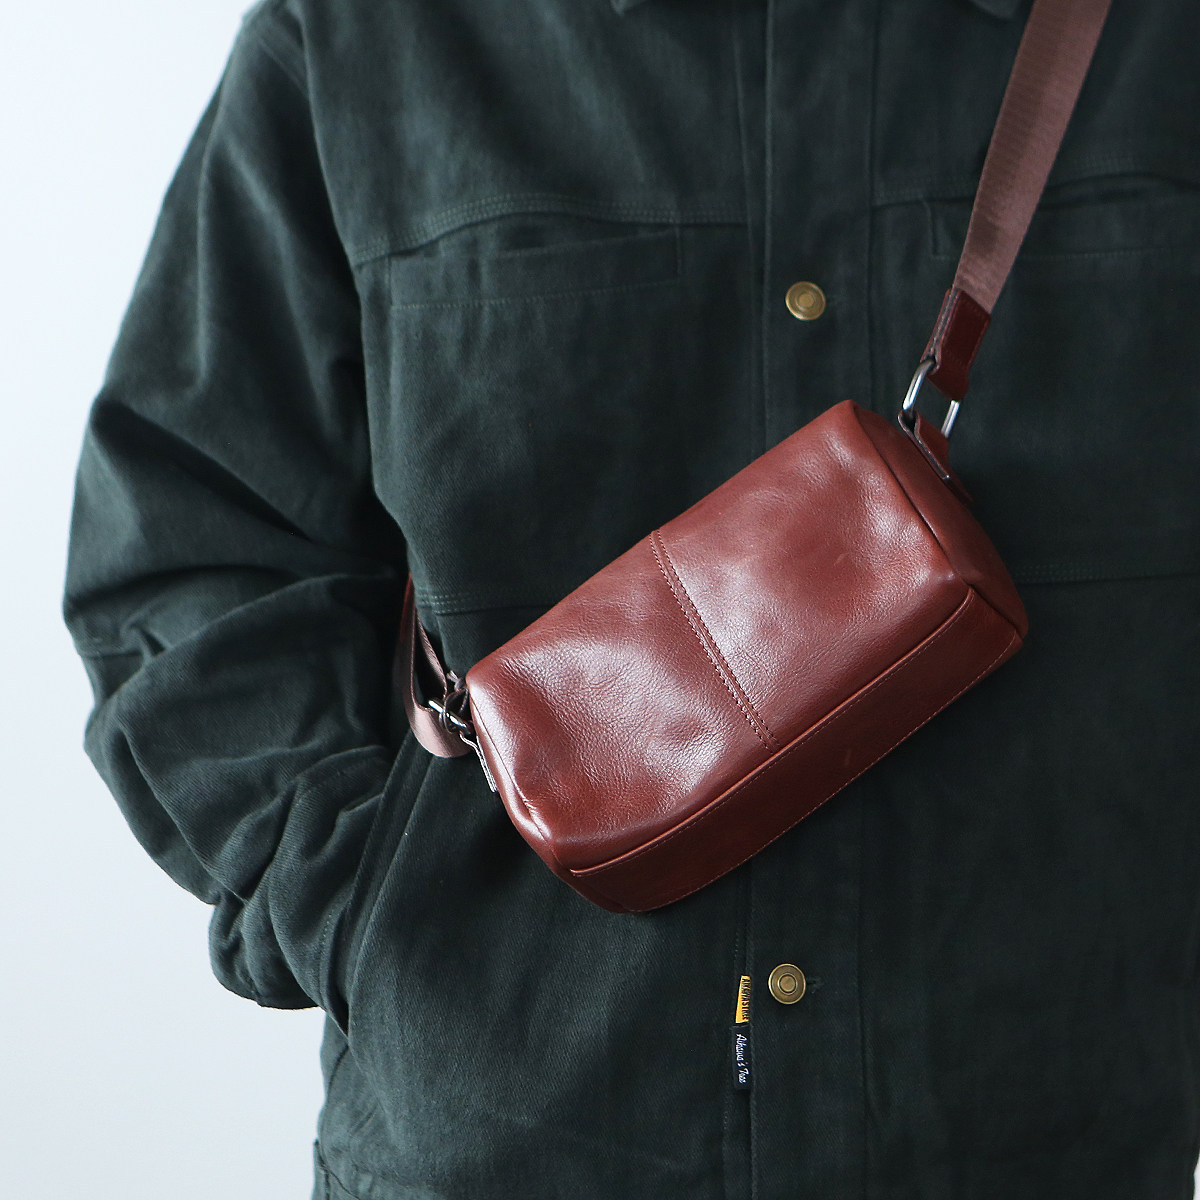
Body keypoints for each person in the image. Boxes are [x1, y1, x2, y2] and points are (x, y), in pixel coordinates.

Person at [62, 0, 1200, 1196]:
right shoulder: (368, 36)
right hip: (511, 1154)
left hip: (1051, 1136)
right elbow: (189, 545)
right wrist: (373, 918)